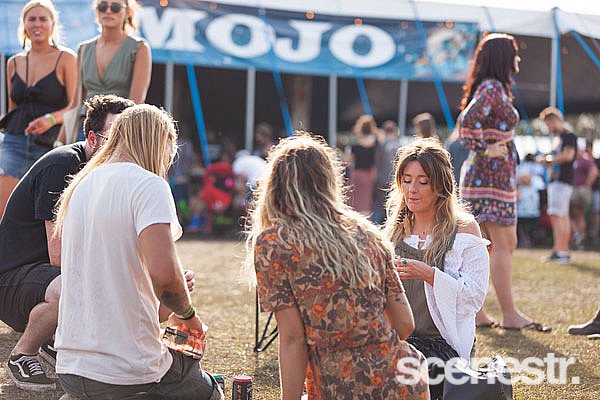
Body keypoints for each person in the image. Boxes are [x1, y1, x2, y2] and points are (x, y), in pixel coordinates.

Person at [53, 104, 222, 399]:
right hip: (126, 370)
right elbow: (165, 277)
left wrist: (169, 295)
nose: (169, 160)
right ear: (158, 142)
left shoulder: (80, 186)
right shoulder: (148, 185)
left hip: (70, 367)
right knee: (209, 392)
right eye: (170, 151)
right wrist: (188, 315)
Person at [246, 133, 429, 399]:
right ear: (329, 181)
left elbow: (293, 338)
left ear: (274, 186)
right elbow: (405, 323)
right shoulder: (367, 233)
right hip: (404, 382)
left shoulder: (275, 243)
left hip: (339, 388)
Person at [0, 94, 133, 391]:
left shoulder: (106, 174)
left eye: (127, 138)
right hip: (9, 280)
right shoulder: (63, 166)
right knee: (75, 285)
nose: (122, 147)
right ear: (92, 138)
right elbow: (58, 254)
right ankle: (23, 354)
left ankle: (55, 342)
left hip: (40, 275)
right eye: (113, 138)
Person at [384, 138, 489, 399]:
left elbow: (474, 298)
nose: (412, 189)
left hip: (442, 347)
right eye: (407, 180)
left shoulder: (464, 230)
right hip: (397, 341)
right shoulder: (394, 232)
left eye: (423, 182)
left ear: (441, 186)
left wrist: (429, 275)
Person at [459, 33, 548, 331]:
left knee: (485, 246)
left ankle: (480, 313)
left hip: (488, 175)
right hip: (490, 176)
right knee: (503, 243)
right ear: (504, 57)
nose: (518, 58)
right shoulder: (492, 88)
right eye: (514, 53)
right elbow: (467, 122)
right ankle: (509, 314)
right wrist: (486, 148)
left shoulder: (491, 87)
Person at [0, 0, 77, 220]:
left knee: (43, 214)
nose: (37, 24)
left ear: (53, 24)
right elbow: (14, 108)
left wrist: (50, 119)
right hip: (14, 142)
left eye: (43, 19)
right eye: (31, 19)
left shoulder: (66, 58)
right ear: (23, 24)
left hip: (49, 144)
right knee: (5, 212)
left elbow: (75, 106)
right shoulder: (14, 62)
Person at [60, 0, 151, 142]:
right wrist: (59, 142)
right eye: (103, 6)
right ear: (96, 10)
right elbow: (75, 103)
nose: (108, 11)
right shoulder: (84, 49)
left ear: (128, 12)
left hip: (119, 130)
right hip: (85, 129)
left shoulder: (139, 48)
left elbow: (136, 101)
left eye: (115, 7)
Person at [537, 107, 578, 263]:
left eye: (548, 124)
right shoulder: (558, 138)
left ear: (554, 120)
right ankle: (559, 250)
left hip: (563, 181)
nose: (548, 127)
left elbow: (568, 156)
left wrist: (549, 160)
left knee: (560, 216)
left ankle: (562, 252)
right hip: (556, 181)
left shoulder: (568, 136)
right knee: (558, 215)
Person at [346, 115, 379, 216]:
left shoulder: (354, 146)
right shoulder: (376, 144)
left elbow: (347, 161)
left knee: (354, 202)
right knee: (366, 202)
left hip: (357, 175)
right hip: (370, 175)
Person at [569, 142, 597, 249]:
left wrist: (586, 185)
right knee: (574, 215)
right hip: (575, 190)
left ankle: (579, 237)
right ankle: (578, 236)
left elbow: (594, 171)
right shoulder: (574, 160)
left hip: (579, 191)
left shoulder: (584, 160)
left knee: (578, 214)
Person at [374, 120, 401, 223]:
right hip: (395, 180)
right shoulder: (399, 145)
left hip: (382, 179)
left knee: (381, 206)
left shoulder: (381, 145)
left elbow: (377, 161)